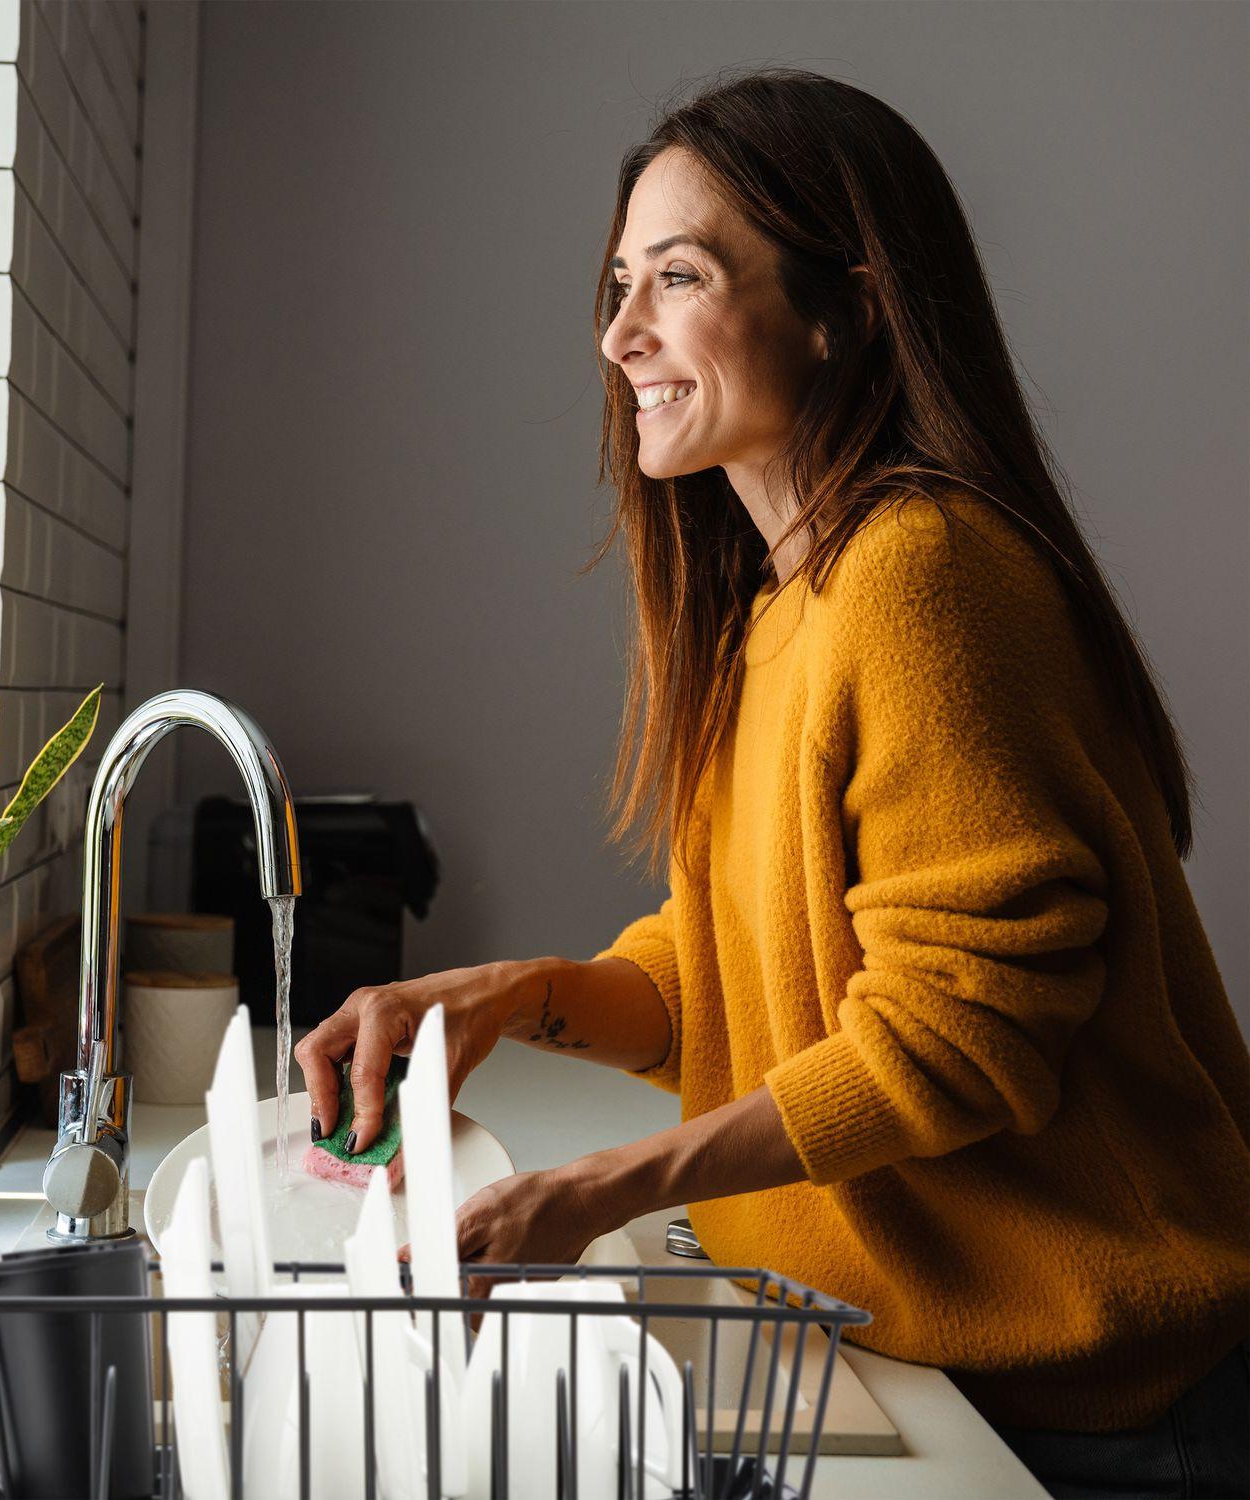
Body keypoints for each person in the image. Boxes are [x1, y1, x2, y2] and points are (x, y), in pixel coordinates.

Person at [294, 68, 1250, 1499]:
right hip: (906, 1351)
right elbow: (738, 976)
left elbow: (957, 1035)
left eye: (679, 278)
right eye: (620, 283)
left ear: (843, 311)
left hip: (1088, 1404)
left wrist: (600, 1188)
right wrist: (511, 993)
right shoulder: (776, 610)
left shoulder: (921, 572)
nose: (620, 334)